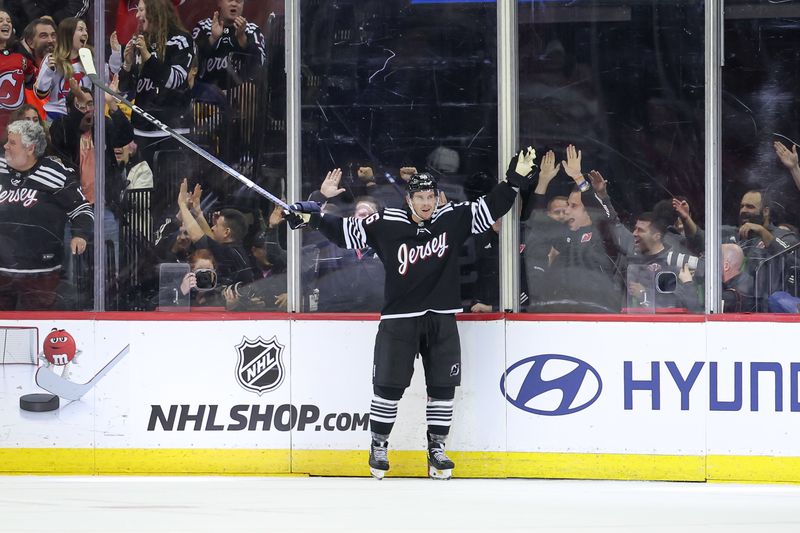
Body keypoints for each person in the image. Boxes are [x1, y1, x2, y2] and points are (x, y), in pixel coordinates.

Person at [286, 148, 536, 480]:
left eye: (431, 196)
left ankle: (437, 450)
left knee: (443, 387)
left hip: (442, 318)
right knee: (388, 387)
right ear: (410, 198)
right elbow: (345, 233)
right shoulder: (384, 222)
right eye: (420, 197)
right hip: (399, 320)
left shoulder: (453, 217)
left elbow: (491, 207)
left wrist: (514, 181)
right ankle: (378, 445)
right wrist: (313, 217)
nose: (427, 203)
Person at [0, 120, 92, 310]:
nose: (5, 146)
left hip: (41, 275)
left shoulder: (55, 174)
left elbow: (82, 209)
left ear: (30, 148)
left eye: (12, 143)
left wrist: (80, 235)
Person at [119, 0, 194, 188]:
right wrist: (127, 65)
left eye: (141, 10)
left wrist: (147, 57)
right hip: (142, 130)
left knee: (169, 194)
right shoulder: (142, 40)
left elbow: (176, 80)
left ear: (155, 12)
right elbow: (127, 88)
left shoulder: (180, 40)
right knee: (142, 194)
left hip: (172, 132)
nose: (137, 15)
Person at [192, 0, 267, 90]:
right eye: (229, 0)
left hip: (239, 96)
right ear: (219, 2)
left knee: (249, 89)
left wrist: (242, 39)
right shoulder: (203, 27)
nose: (234, 4)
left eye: (238, 1)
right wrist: (212, 38)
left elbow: (261, 65)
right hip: (207, 96)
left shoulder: (252, 30)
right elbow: (190, 62)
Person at [33, 17, 91, 120]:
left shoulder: (91, 59)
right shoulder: (52, 58)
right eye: (81, 29)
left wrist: (115, 52)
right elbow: (40, 93)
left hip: (82, 114)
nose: (85, 33)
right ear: (68, 34)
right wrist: (49, 71)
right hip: (55, 115)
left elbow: (108, 81)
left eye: (86, 30)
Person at [0, 11, 36, 141]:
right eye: (0, 21)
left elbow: (30, 80)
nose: (5, 23)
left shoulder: (20, 58)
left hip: (17, 126)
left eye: (8, 21)